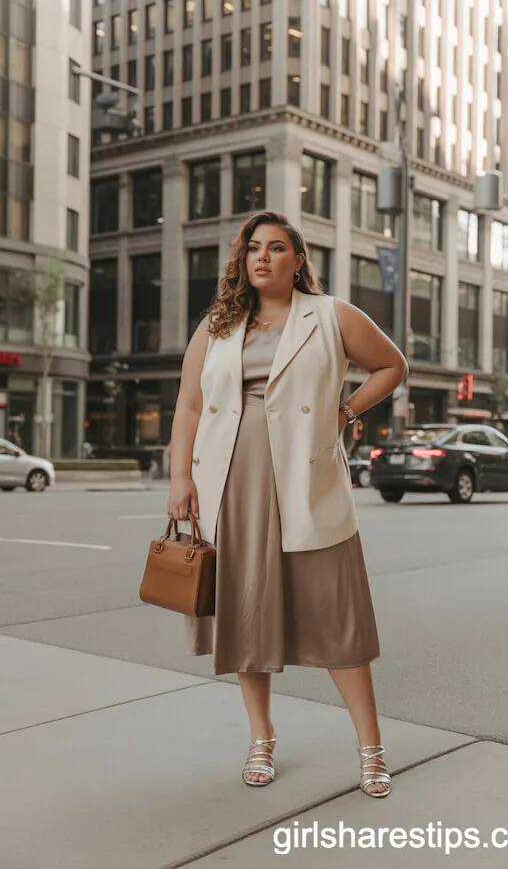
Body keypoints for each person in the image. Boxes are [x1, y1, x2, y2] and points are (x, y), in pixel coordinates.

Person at [167, 211, 408, 798]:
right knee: (245, 612)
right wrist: (180, 479)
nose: (263, 258)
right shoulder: (217, 326)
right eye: (254, 248)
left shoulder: (331, 316)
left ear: (298, 260)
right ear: (242, 259)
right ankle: (260, 739)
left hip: (305, 477)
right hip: (229, 479)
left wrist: (346, 413)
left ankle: (372, 750)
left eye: (277, 248)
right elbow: (190, 408)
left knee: (336, 615)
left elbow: (392, 366)